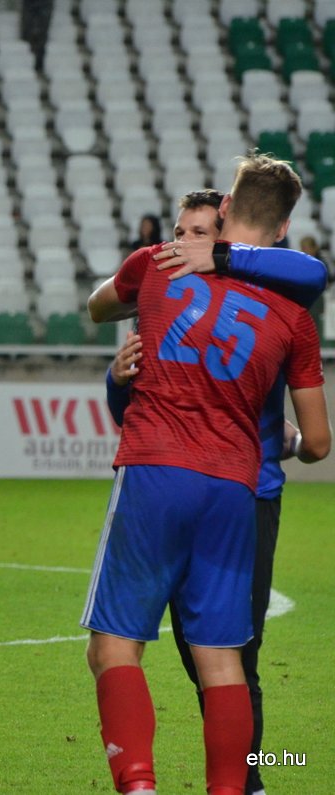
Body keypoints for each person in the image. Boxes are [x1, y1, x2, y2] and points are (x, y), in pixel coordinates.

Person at [83, 155, 331, 795]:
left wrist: (203, 258)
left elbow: (98, 306)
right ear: (282, 228)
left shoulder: (160, 266)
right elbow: (318, 441)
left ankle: (178, 782)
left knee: (127, 649)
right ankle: (242, 785)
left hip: (167, 475)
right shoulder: (292, 314)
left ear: (224, 213)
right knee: (225, 663)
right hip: (239, 488)